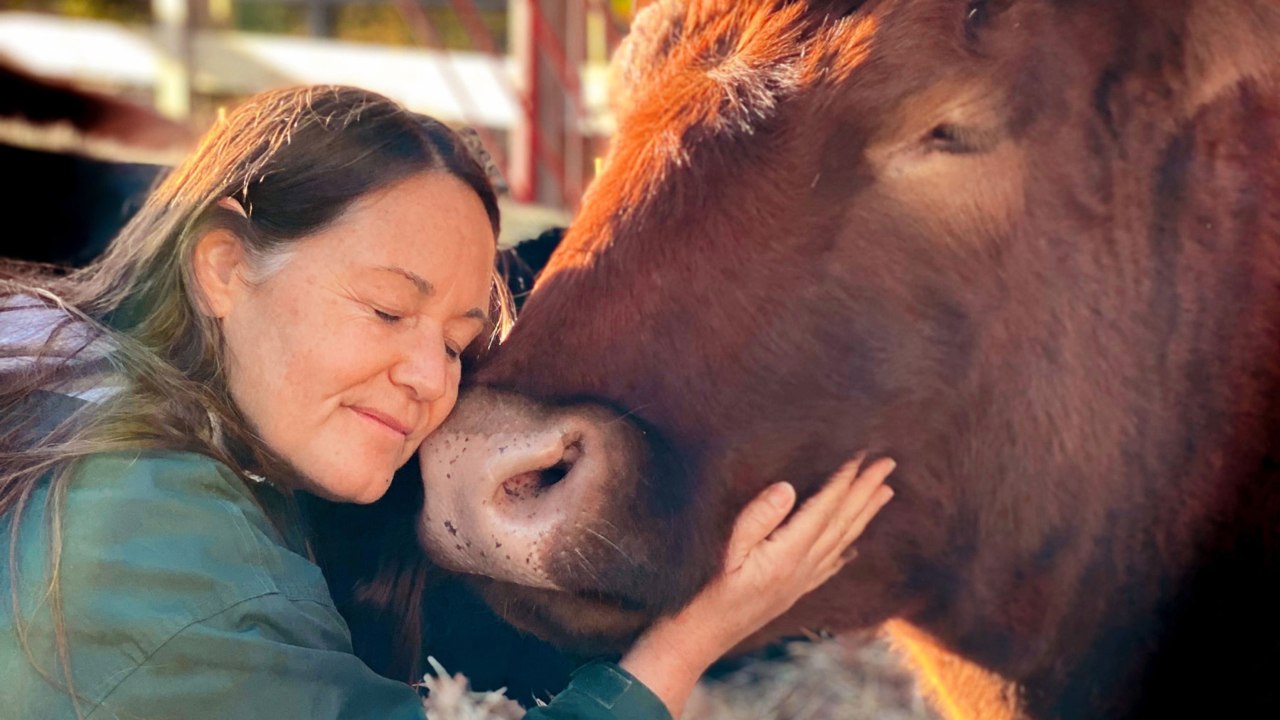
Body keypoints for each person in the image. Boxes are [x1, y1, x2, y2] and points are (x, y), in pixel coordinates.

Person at [0, 85, 895, 720]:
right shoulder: (143, 541)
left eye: (459, 345)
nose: (435, 383)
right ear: (224, 268)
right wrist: (698, 634)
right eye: (388, 308)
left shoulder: (89, 386)